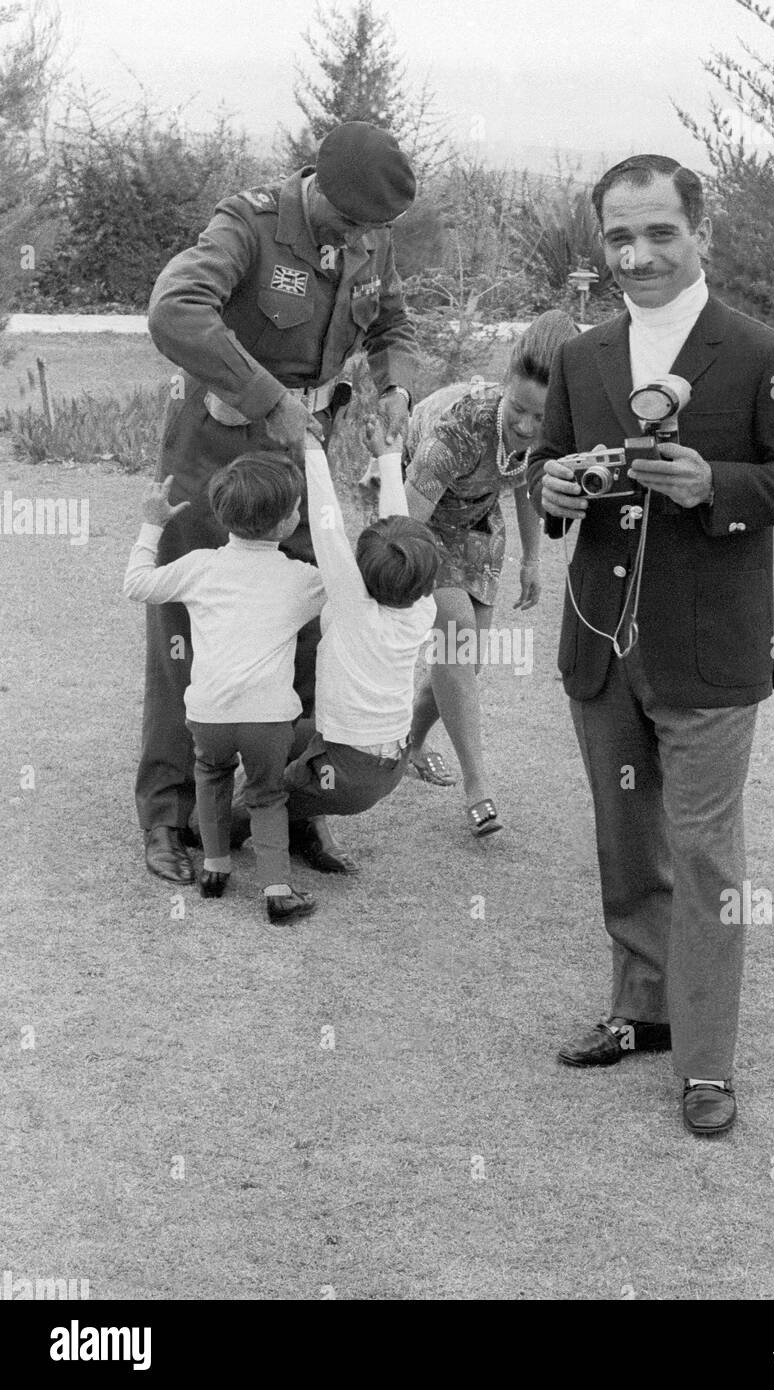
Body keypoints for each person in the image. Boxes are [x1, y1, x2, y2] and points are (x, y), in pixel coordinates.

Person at [526, 155, 774, 1136]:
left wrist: (716, 487)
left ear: (699, 233)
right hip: (598, 643)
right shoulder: (582, 357)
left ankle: (704, 1062)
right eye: (619, 236)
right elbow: (544, 460)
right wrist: (555, 488)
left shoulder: (762, 353)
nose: (638, 253)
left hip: (709, 650)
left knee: (703, 855)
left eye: (659, 231)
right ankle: (642, 1010)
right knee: (625, 843)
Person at [136, 121, 420, 886]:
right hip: (219, 456)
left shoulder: (371, 235)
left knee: (305, 632)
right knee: (191, 638)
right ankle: (170, 818)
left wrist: (393, 383)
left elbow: (390, 320)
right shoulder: (249, 223)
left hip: (307, 463)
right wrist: (265, 396)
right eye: (352, 223)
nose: (362, 240)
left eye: (374, 231)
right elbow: (175, 310)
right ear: (319, 186)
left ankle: (290, 814)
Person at [400, 310, 580, 836]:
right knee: (455, 635)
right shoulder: (461, 426)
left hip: (478, 521)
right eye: (519, 409)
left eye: (542, 419)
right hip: (422, 522)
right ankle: (478, 785)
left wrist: (532, 558)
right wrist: (393, 589)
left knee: (467, 660)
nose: (527, 427)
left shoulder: (546, 434)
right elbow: (408, 519)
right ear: (504, 387)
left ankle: (408, 742)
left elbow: (525, 480)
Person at [231, 419, 439, 871]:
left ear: (361, 575)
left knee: (241, 811)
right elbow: (401, 532)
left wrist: (312, 451)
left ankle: (212, 831)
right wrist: (387, 456)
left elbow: (327, 531)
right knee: (278, 735)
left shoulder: (355, 609)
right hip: (383, 760)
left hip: (345, 771)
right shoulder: (422, 611)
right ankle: (280, 797)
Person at [123, 456, 323, 922]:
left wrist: (151, 525)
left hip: (209, 714)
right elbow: (348, 589)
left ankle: (215, 868)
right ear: (287, 520)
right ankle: (277, 889)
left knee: (211, 779)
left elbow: (137, 585)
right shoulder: (299, 578)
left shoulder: (199, 566)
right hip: (269, 719)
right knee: (266, 795)